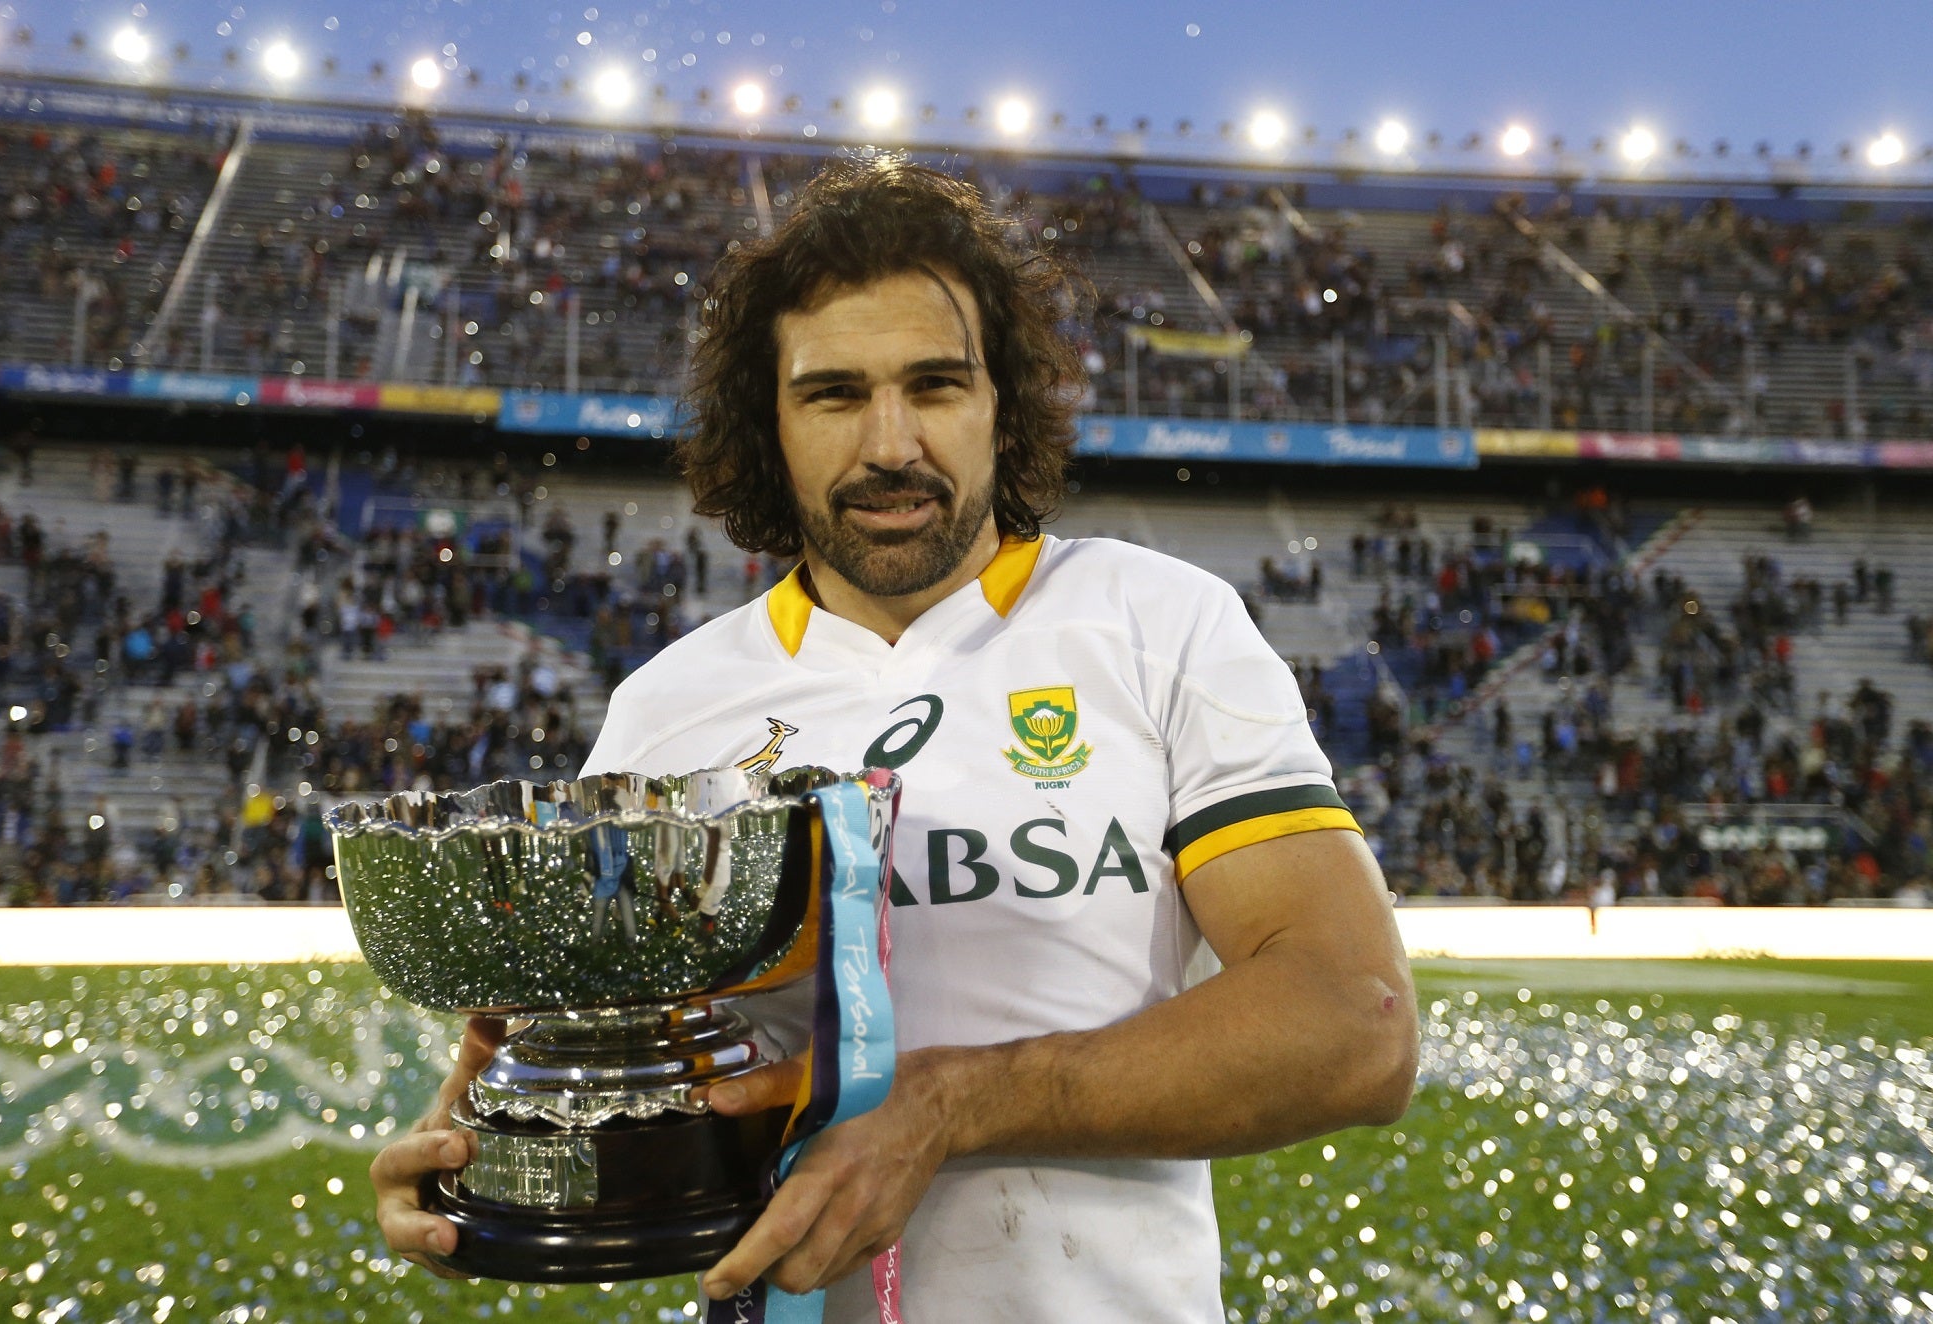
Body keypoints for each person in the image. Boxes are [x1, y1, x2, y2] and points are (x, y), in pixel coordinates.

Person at [370, 158, 1418, 1322]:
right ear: (765, 426)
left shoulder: (1156, 624)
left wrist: (946, 1103)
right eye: (831, 394)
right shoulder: (668, 709)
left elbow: (1352, 1023)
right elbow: (593, 1064)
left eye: (934, 385)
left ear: (998, 407)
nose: (889, 442)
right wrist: (478, 1150)